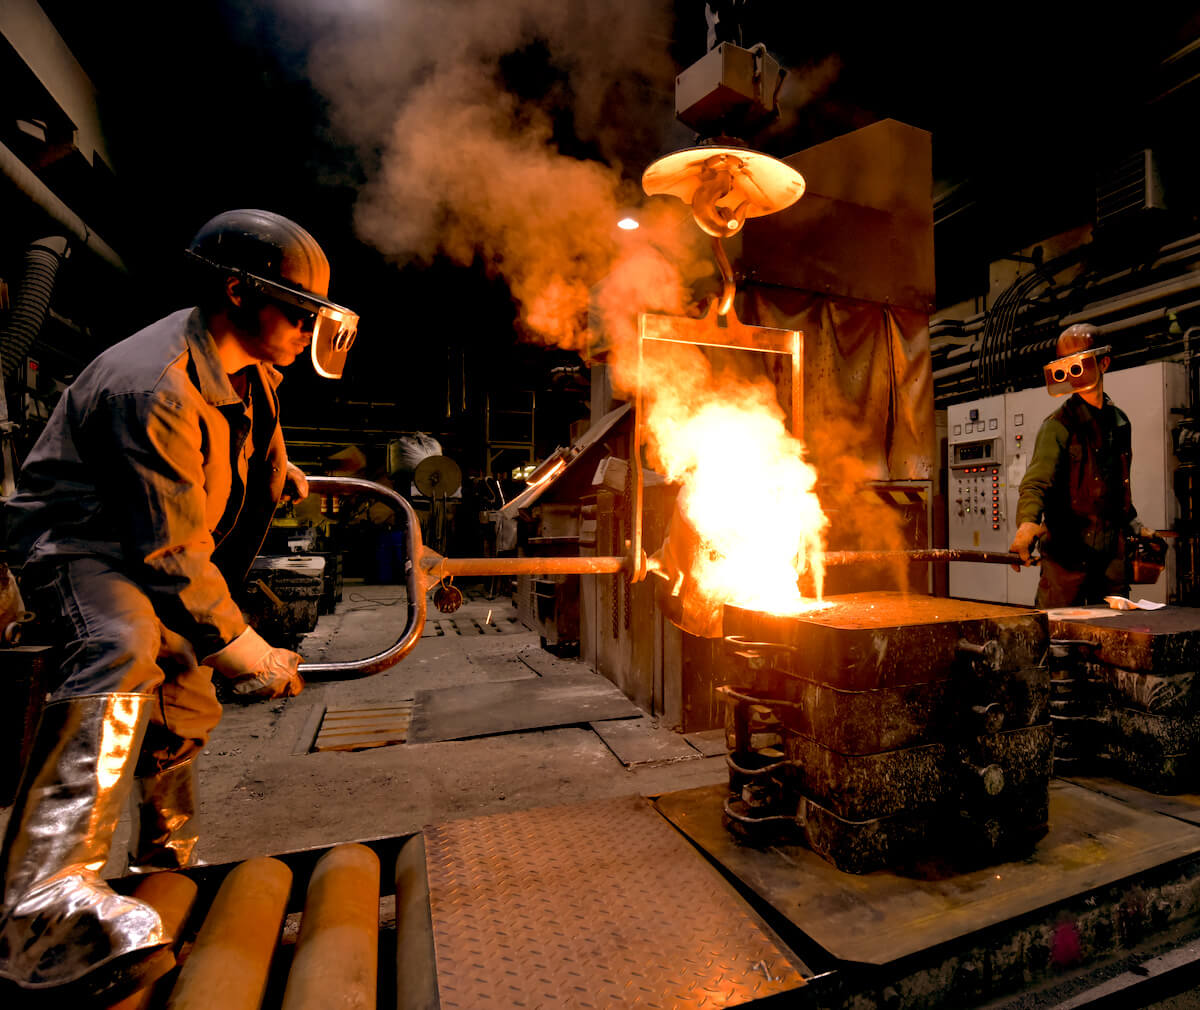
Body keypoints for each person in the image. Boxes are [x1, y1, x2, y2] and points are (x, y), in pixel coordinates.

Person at [0, 209, 359, 999]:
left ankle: (162, 876)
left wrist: (279, 471)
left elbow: (248, 438)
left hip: (150, 546)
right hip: (82, 545)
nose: (307, 330)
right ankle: (41, 909)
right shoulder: (153, 385)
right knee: (124, 645)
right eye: (297, 312)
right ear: (236, 292)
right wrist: (249, 648)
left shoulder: (250, 366)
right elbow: (169, 555)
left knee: (187, 695)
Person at [1009, 323, 1160, 608]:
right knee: (1060, 631)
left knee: (1113, 630)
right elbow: (1036, 483)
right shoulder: (1058, 426)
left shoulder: (1119, 423)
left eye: (1079, 365)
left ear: (1104, 363)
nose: (1073, 374)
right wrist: (1027, 523)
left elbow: (1119, 489)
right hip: (1067, 563)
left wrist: (1135, 526)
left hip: (1110, 562)